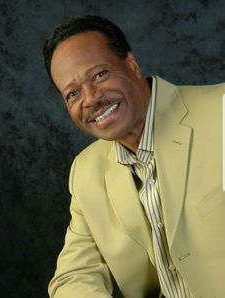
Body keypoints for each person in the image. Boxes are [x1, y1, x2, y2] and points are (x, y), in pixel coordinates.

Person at [43, 15, 225, 298]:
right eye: (73, 93)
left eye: (99, 75)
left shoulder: (221, 113)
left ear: (131, 64)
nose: (89, 99)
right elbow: (74, 275)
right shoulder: (86, 171)